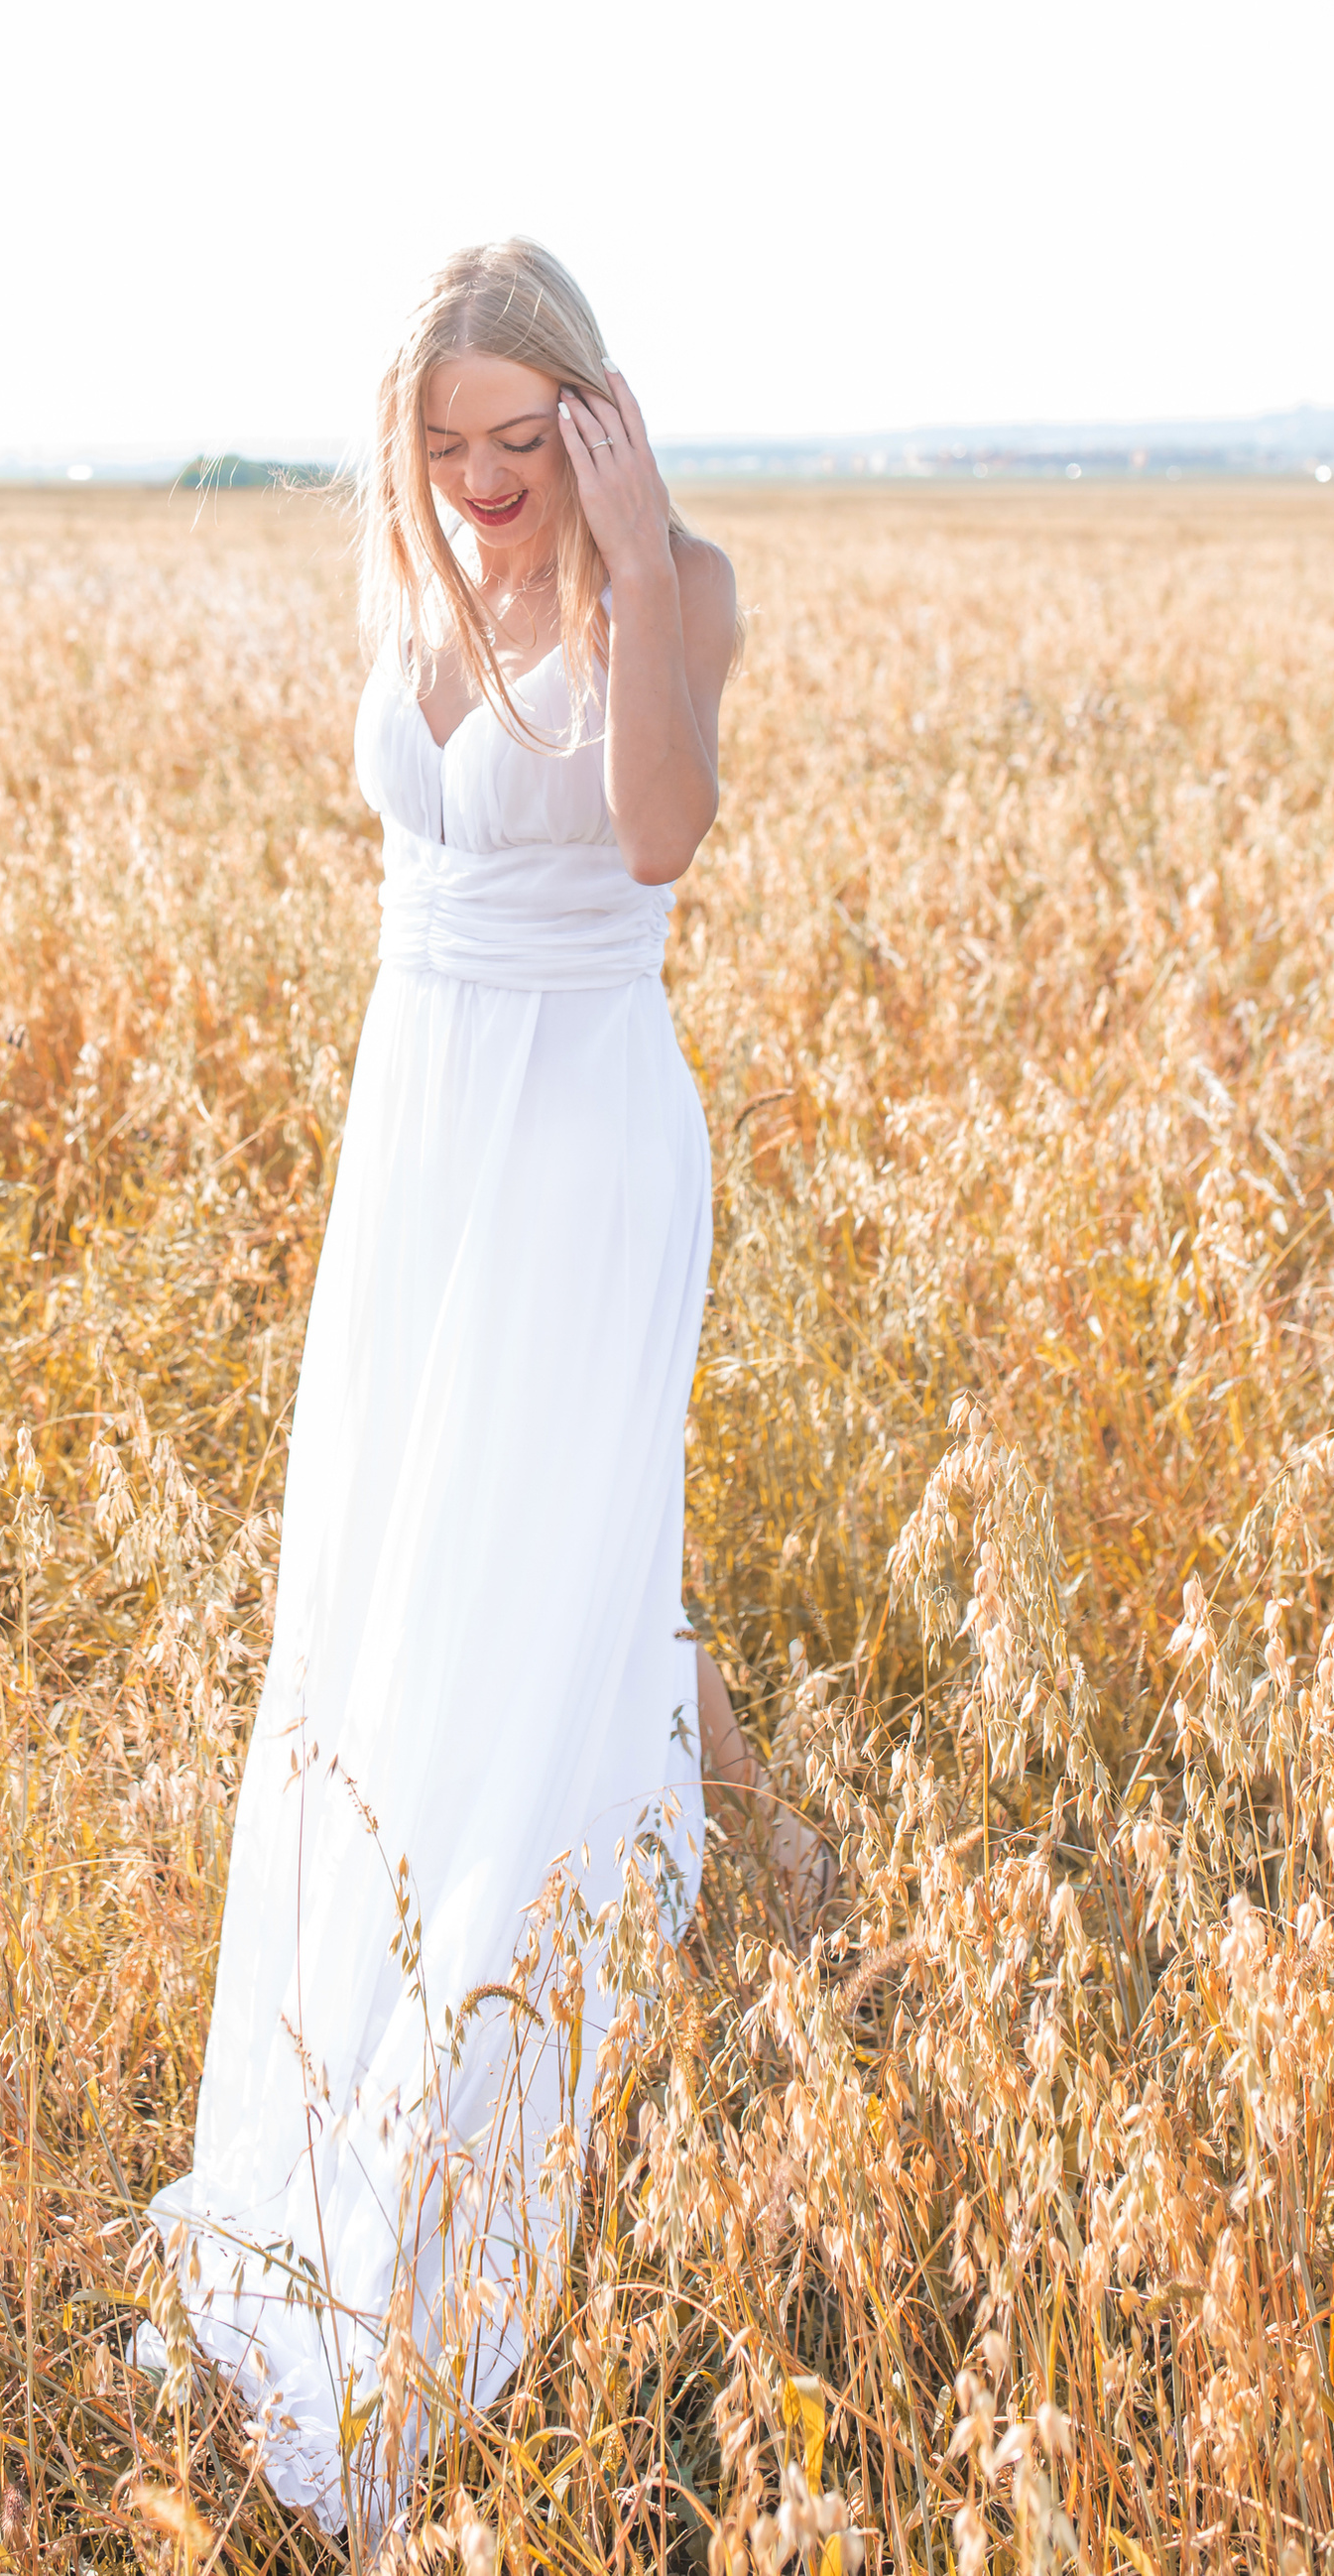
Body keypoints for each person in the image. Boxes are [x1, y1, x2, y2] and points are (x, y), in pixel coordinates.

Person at [138, 239, 829, 2539]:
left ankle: (545, 2083)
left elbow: (653, 836)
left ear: (598, 422)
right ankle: (768, 1910)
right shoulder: (415, 569)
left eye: (521, 444)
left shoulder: (673, 579)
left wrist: (630, 571)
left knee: (553, 1583)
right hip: (417, 1133)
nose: (480, 485)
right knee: (406, 1588)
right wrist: (457, 528)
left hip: (576, 1138)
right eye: (446, 446)